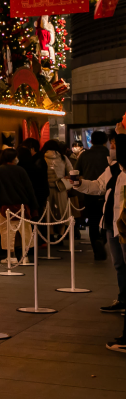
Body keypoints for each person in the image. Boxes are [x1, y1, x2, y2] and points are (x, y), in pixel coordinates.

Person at [72, 130, 126, 315]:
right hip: (111, 222)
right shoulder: (112, 168)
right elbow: (99, 186)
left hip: (124, 224)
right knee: (118, 264)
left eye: (115, 144)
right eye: (111, 143)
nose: (112, 148)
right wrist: (80, 183)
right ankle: (123, 298)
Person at [0, 149, 39, 266]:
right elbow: (29, 189)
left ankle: (11, 256)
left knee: (7, 232)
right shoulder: (21, 170)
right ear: (14, 158)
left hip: (5, 206)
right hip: (23, 206)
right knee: (25, 232)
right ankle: (24, 256)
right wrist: (34, 206)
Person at [78, 131, 112, 260]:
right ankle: (103, 239)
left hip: (89, 191)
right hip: (106, 192)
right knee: (106, 218)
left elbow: (77, 171)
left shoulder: (84, 155)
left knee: (92, 221)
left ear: (91, 141)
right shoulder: (109, 154)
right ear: (106, 142)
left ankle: (96, 249)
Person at [43, 140, 73, 239]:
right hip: (61, 188)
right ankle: (61, 235)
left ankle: (50, 234)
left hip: (46, 188)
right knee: (62, 211)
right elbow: (71, 172)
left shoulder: (42, 157)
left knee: (48, 211)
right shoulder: (63, 158)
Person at [19, 139, 49, 212]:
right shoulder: (38, 159)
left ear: (32, 149)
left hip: (37, 194)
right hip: (40, 193)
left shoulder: (37, 161)